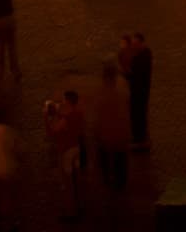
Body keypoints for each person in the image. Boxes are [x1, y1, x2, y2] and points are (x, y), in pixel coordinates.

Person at [42, 90, 85, 221]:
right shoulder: (79, 113)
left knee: (68, 182)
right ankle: (80, 204)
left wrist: (46, 118)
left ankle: (70, 211)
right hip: (77, 148)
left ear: (68, 101)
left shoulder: (66, 119)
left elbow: (52, 133)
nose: (62, 102)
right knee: (77, 178)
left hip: (66, 151)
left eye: (64, 100)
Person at [90, 61, 130, 193]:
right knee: (120, 160)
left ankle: (107, 180)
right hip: (119, 132)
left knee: (105, 160)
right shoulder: (122, 86)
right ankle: (120, 183)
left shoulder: (100, 90)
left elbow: (96, 112)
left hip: (105, 133)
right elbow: (126, 106)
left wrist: (96, 130)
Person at [119, 32, 152, 150]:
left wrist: (126, 72)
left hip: (139, 92)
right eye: (132, 44)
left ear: (141, 43)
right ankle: (139, 137)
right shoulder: (145, 53)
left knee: (138, 115)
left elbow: (134, 75)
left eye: (135, 44)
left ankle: (139, 139)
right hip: (139, 90)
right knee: (138, 115)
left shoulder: (141, 57)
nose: (133, 46)